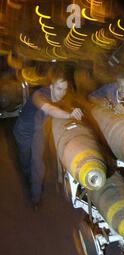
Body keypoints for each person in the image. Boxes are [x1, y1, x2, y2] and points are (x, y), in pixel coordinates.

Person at [13, 65, 83, 210]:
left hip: (38, 131)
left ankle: (35, 198)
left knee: (37, 163)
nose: (62, 93)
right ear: (51, 86)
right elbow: (51, 109)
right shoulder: (39, 96)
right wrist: (69, 114)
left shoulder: (59, 96)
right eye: (59, 89)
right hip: (23, 131)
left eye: (65, 89)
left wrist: (72, 110)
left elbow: (62, 106)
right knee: (25, 160)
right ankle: (27, 176)